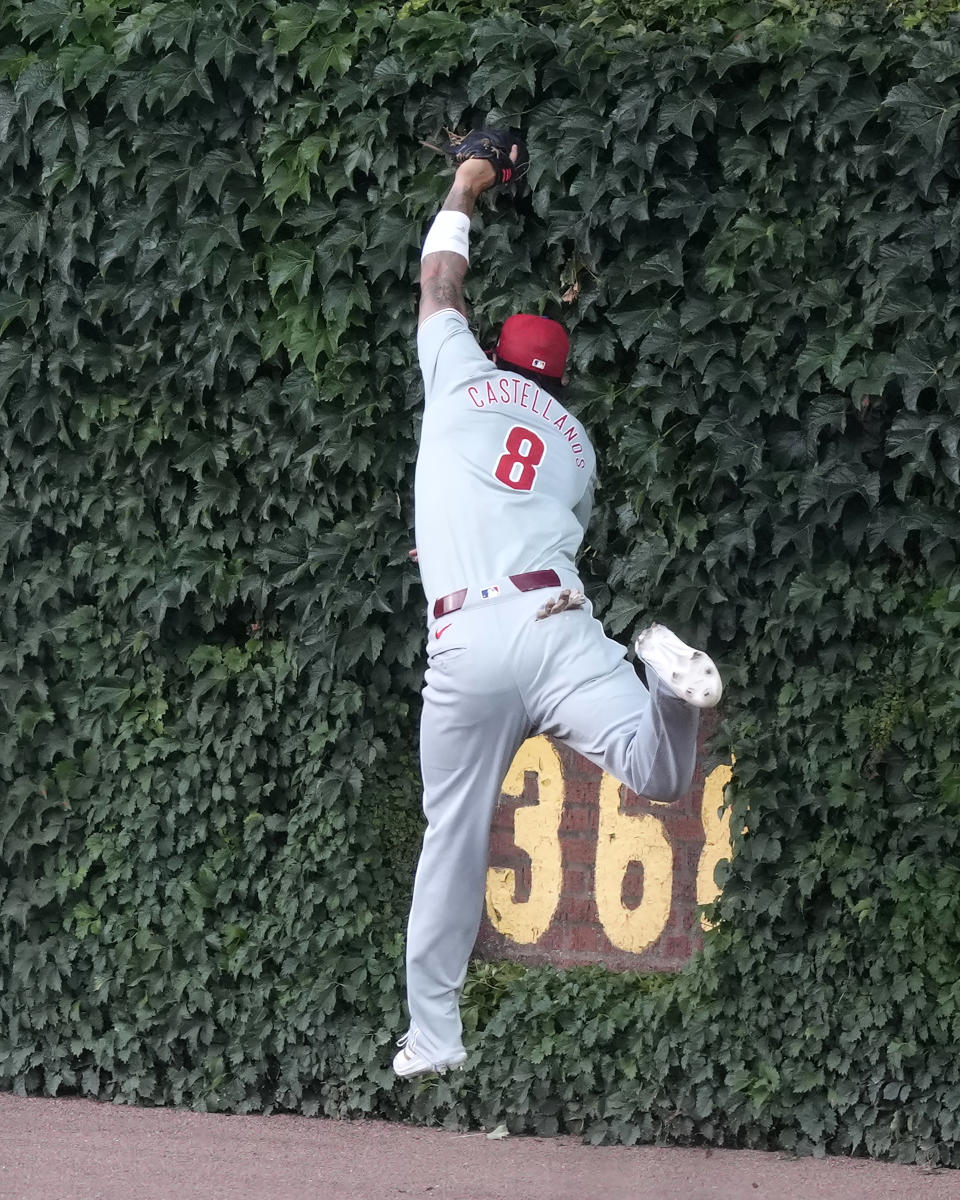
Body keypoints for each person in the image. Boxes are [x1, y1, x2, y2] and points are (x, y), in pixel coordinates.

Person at [394, 148, 722, 1079]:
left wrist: (466, 184)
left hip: (470, 636)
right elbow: (533, 518)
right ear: (561, 385)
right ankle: (662, 674)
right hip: (560, 623)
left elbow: (439, 280)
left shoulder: (458, 373)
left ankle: (434, 1038)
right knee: (659, 771)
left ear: (499, 353)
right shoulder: (575, 446)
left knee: (451, 836)